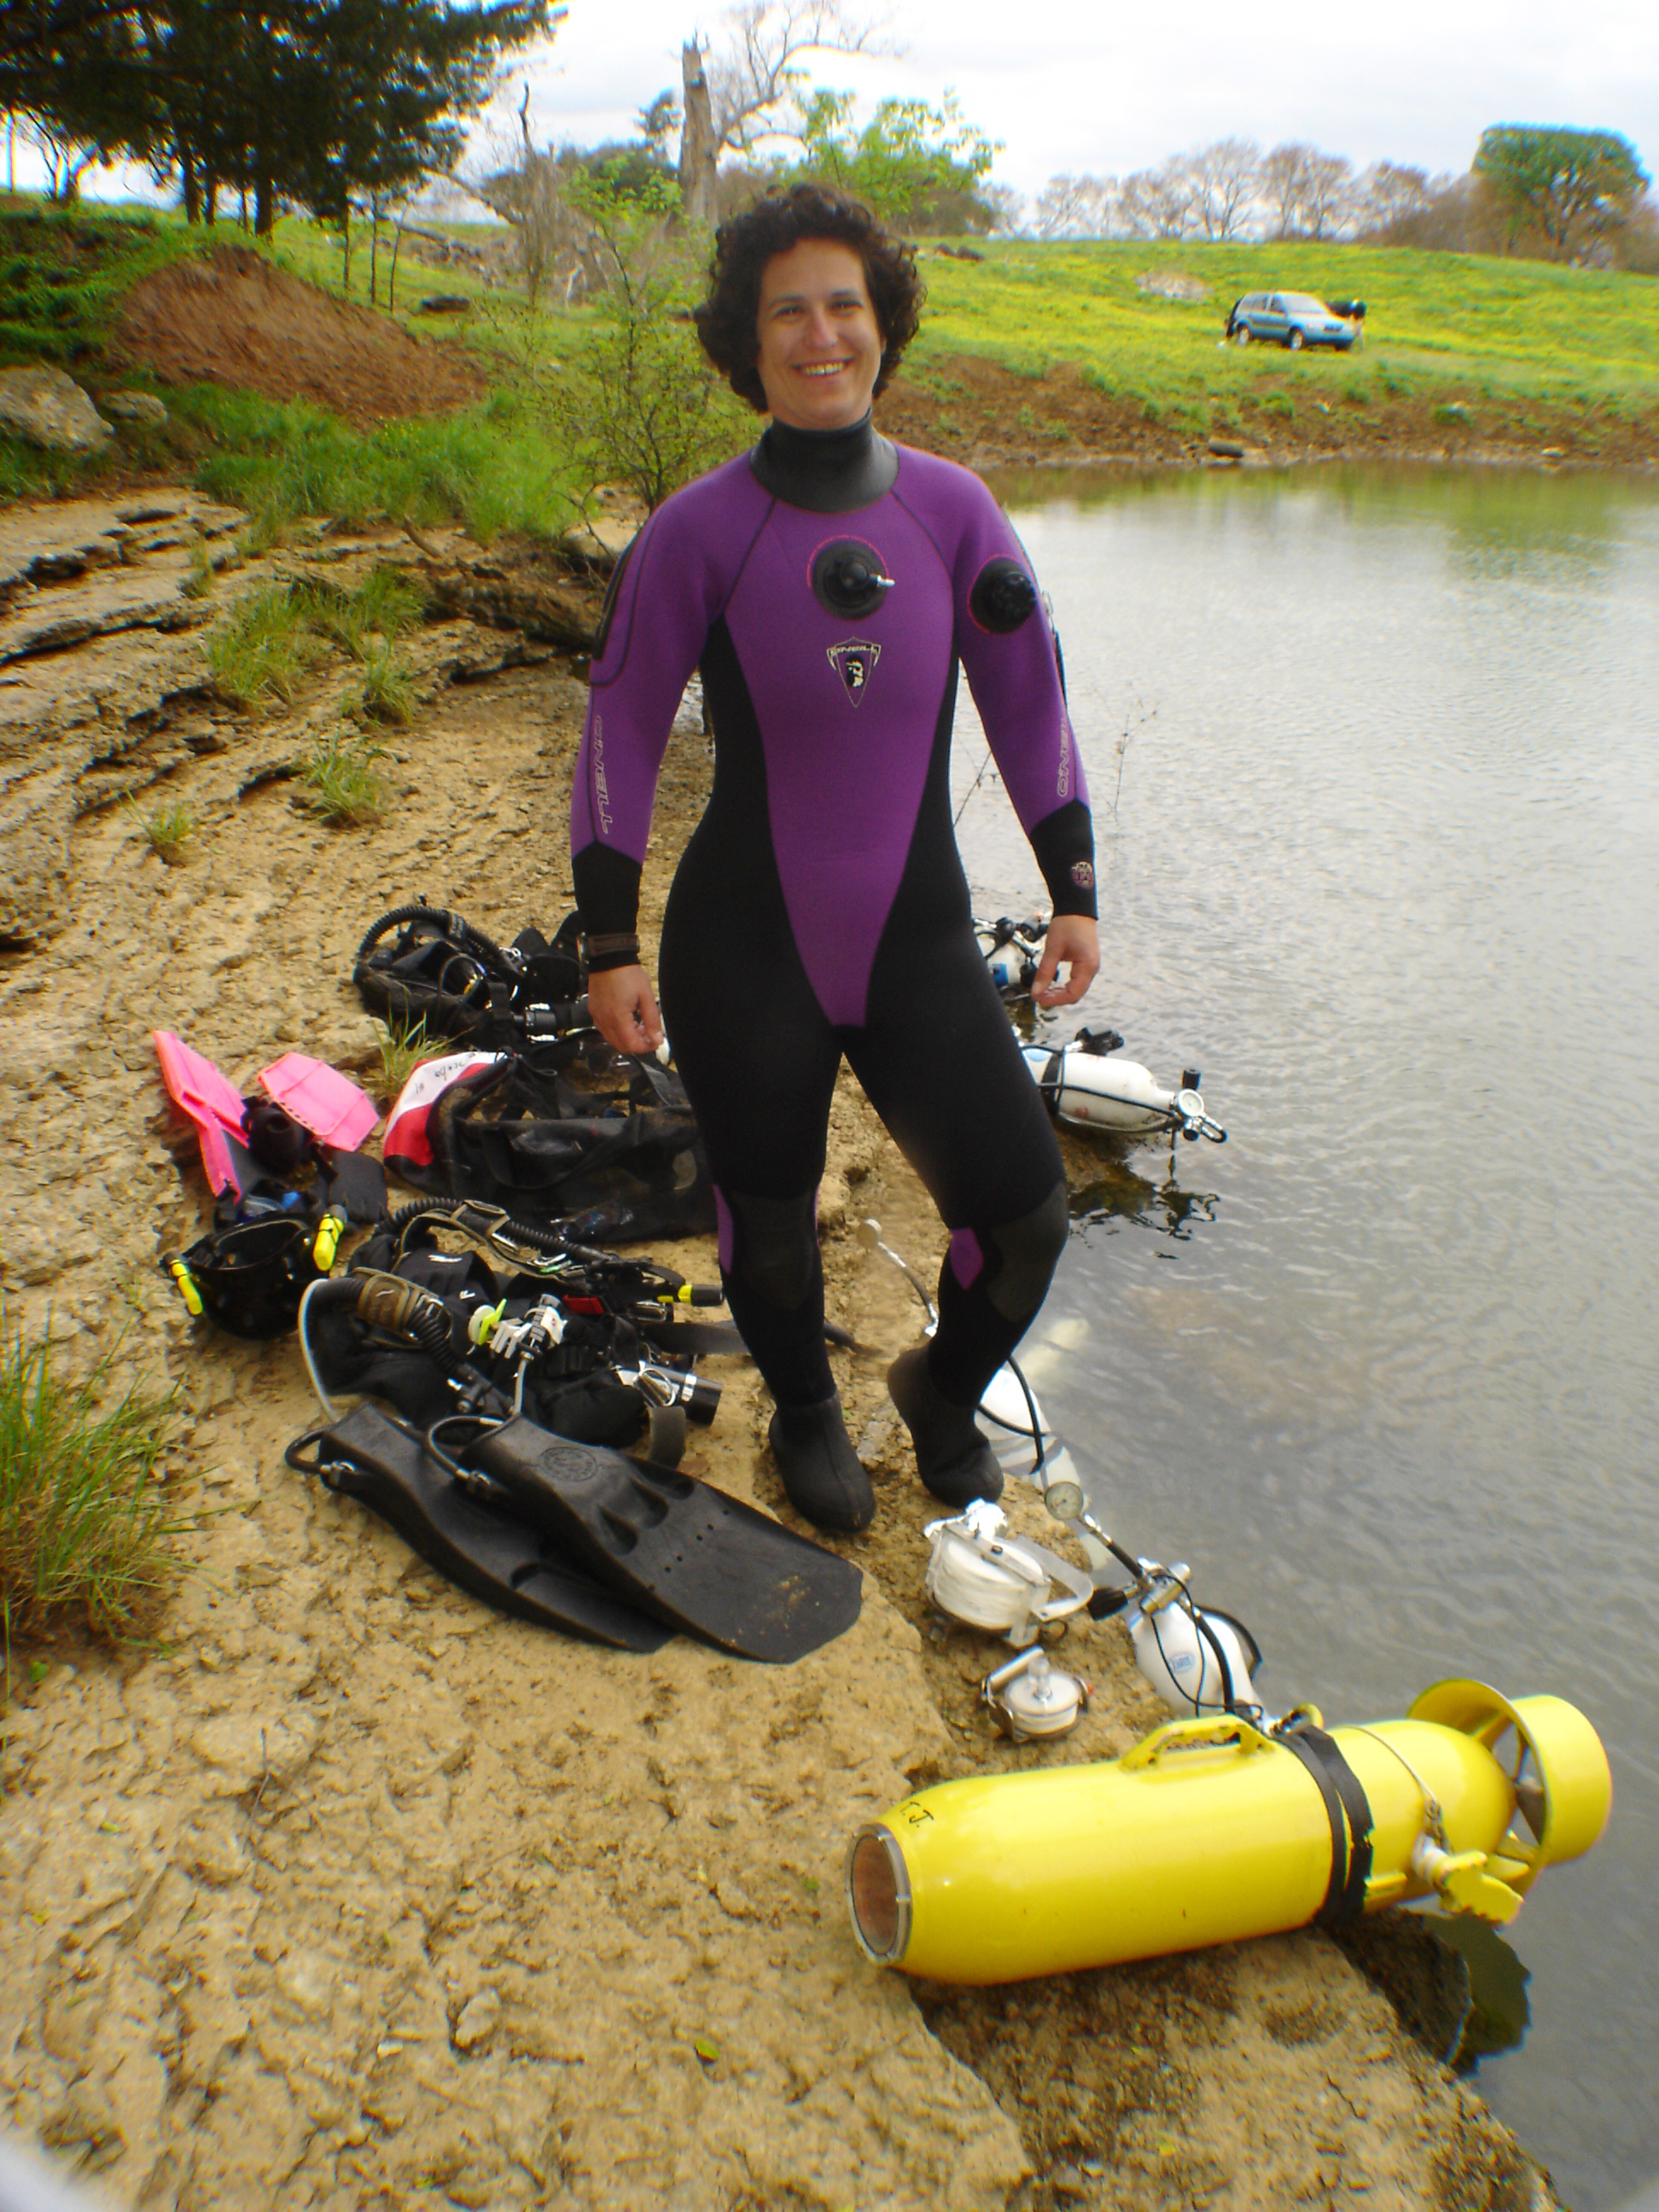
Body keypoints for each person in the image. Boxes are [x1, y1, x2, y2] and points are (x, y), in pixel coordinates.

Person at [572, 183, 1098, 1535]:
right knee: (769, 1209)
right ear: (748, 346)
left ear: (885, 328)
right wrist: (607, 942)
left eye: (845, 305)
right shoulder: (699, 531)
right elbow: (622, 725)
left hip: (918, 941)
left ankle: (938, 1389)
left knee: (1029, 1216)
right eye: (788, 311)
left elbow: (1030, 698)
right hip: (748, 944)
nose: (821, 335)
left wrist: (1074, 890)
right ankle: (806, 1410)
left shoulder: (954, 512)